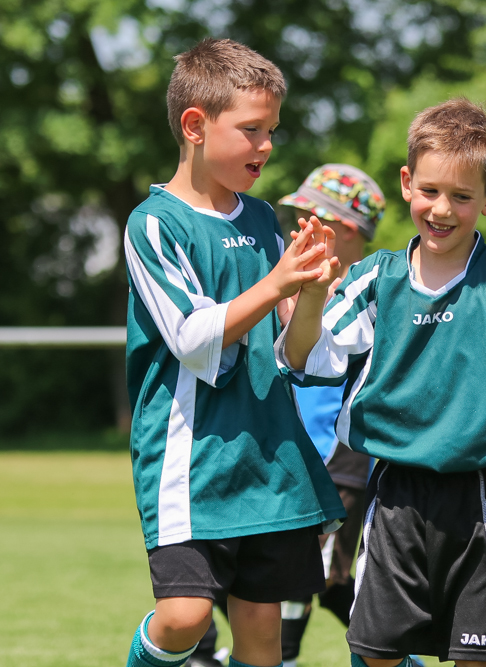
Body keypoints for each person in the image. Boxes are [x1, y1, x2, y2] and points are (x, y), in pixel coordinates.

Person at [277, 98, 486, 667]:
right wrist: (312, 298)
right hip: (394, 498)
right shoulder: (372, 279)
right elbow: (306, 359)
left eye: (462, 197)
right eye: (431, 191)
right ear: (408, 184)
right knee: (376, 652)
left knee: (478, 659)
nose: (442, 209)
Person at [122, 37, 345, 667]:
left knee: (260, 626)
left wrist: (310, 297)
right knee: (185, 618)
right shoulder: (154, 223)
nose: (267, 145)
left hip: (269, 455)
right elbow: (193, 340)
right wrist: (277, 282)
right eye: (251, 129)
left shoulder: (263, 219)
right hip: (191, 461)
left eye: (273, 129)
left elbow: (292, 353)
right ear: (195, 125)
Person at [186, 164, 386, 667]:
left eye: (305, 219)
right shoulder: (295, 289)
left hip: (336, 461)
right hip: (293, 456)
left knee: (325, 583)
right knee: (308, 579)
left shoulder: (366, 294)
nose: (293, 230)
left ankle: (280, 656)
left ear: (341, 229)